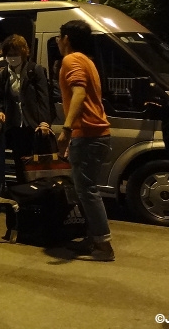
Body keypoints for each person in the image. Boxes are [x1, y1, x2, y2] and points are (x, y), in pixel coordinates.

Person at [56, 20, 114, 262]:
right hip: (99, 134)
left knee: (87, 190)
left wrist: (67, 128)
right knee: (88, 189)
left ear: (66, 38)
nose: (58, 43)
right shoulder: (88, 61)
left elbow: (78, 92)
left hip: (87, 134)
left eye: (59, 38)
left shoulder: (71, 60)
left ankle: (103, 246)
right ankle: (93, 239)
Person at [0, 34, 52, 183]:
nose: (13, 58)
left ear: (24, 52)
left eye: (16, 54)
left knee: (37, 164)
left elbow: (43, 98)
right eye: (10, 55)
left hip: (34, 125)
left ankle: (38, 197)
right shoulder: (5, 74)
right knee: (20, 164)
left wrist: (44, 121)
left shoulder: (35, 70)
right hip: (15, 126)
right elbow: (0, 98)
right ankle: (23, 197)